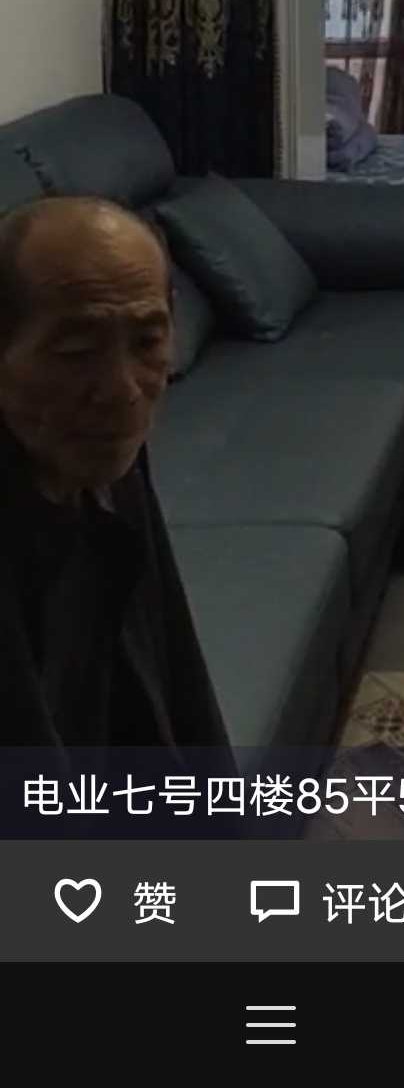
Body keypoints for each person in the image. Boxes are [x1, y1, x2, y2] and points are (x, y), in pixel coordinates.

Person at [0, 194, 230, 757]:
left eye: (148, 342)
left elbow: (176, 670)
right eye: (77, 352)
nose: (122, 390)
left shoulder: (101, 445)